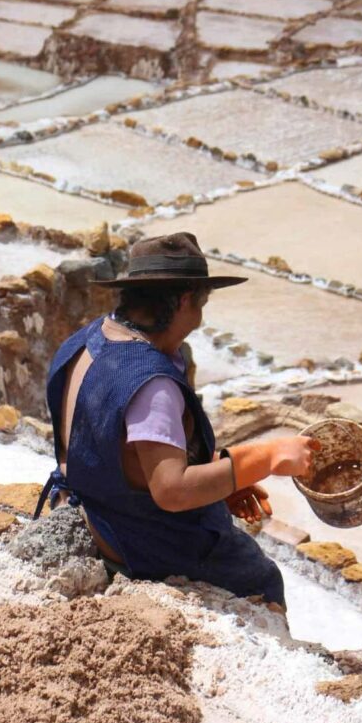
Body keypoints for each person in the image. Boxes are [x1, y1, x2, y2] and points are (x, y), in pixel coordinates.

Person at [36, 232, 320, 609]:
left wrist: (223, 475)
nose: (198, 320)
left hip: (96, 505)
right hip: (136, 539)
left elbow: (117, 448)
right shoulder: (151, 384)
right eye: (200, 306)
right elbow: (172, 490)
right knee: (262, 577)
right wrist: (264, 459)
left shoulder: (90, 340)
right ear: (185, 301)